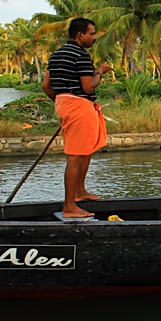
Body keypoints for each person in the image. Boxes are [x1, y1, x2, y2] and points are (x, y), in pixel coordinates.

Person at [42, 18, 110, 220]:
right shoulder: (81, 55)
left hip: (66, 103)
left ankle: (80, 192)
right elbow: (89, 86)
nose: (95, 37)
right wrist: (100, 72)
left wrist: (62, 100)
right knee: (75, 157)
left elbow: (46, 85)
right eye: (92, 33)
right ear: (80, 35)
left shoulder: (56, 55)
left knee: (85, 150)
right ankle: (69, 207)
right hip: (79, 105)